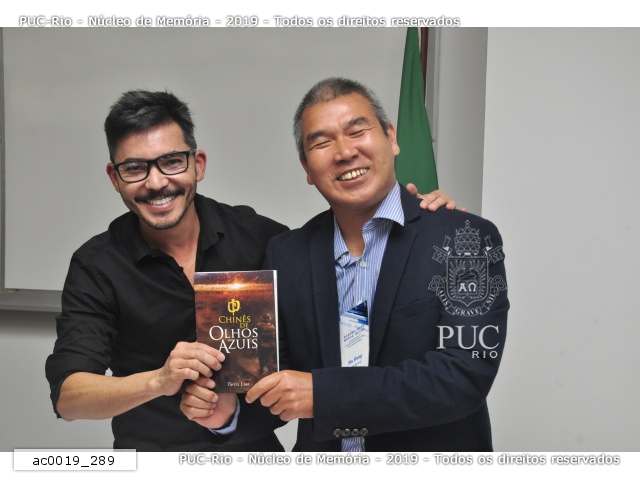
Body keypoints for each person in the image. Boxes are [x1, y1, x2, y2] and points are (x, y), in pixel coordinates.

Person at [45, 89, 458, 452]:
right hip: (153, 456)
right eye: (135, 168)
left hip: (253, 454)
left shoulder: (263, 240)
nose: (156, 183)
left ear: (197, 164)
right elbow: (69, 396)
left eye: (171, 162)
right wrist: (157, 381)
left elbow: (346, 268)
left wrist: (413, 217)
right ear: (114, 177)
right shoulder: (97, 264)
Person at [182, 78, 509, 451]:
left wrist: (324, 395)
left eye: (357, 131)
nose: (344, 152)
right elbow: (275, 388)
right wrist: (226, 414)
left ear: (390, 137)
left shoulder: (465, 239)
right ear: (306, 167)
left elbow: (463, 375)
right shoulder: (287, 254)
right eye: (322, 143)